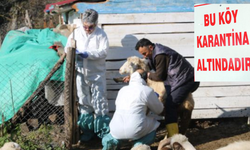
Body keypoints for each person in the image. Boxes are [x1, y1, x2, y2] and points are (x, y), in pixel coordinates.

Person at [134, 38, 200, 137]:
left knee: (170, 105)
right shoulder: (155, 53)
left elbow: (159, 76)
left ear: (151, 47)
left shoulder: (160, 55)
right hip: (177, 80)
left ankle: (174, 137)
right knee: (171, 103)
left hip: (185, 79)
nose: (144, 56)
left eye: (145, 53)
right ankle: (177, 133)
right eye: (142, 54)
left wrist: (147, 74)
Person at [64, 9, 110, 141]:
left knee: (100, 102)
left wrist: (87, 54)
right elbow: (68, 48)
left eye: (90, 27)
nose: (87, 29)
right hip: (80, 73)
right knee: (84, 101)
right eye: (85, 26)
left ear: (96, 24)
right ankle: (87, 131)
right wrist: (73, 52)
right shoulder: (75, 33)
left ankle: (103, 132)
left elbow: (103, 52)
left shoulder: (101, 35)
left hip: (96, 74)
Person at [102, 69, 164, 150]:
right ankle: (138, 146)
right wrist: (156, 99)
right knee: (154, 125)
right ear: (145, 79)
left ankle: (112, 143)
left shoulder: (122, 90)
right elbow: (159, 110)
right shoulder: (147, 90)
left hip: (116, 129)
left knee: (115, 134)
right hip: (135, 129)